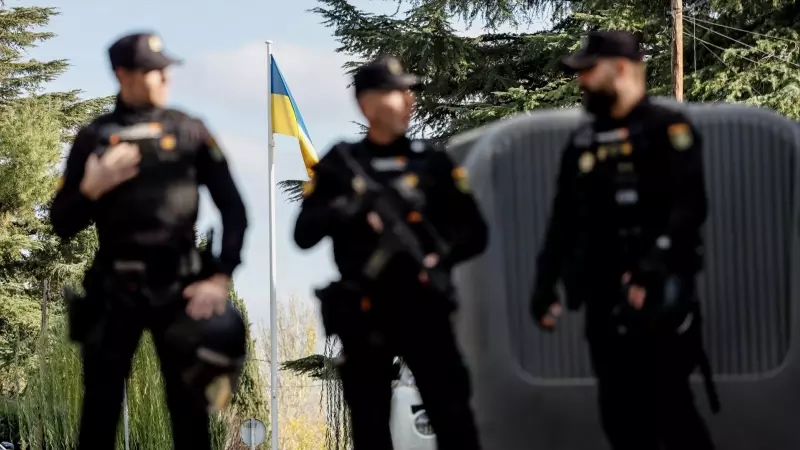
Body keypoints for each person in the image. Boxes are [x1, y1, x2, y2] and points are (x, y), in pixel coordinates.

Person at [50, 32, 248, 450]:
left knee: (190, 415)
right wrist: (92, 188)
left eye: (165, 71)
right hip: (113, 288)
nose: (163, 78)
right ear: (123, 75)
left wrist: (220, 278)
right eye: (152, 71)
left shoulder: (190, 130)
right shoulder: (95, 137)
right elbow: (62, 222)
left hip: (180, 288)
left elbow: (234, 209)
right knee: (99, 414)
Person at [529, 30, 717, 450]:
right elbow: (562, 221)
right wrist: (545, 283)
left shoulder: (668, 128)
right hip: (602, 300)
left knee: (672, 413)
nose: (581, 82)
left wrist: (653, 266)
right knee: (620, 419)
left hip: (661, 298)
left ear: (621, 68)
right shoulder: (583, 142)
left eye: (588, 71)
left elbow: (689, 209)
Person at [294, 56, 487, 450]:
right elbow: (303, 234)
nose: (409, 100)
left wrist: (440, 258)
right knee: (369, 426)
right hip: (366, 312)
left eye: (409, 91)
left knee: (454, 419)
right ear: (367, 104)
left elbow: (475, 231)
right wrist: (352, 208)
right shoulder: (341, 163)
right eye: (397, 92)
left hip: (424, 307)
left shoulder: (430, 161)